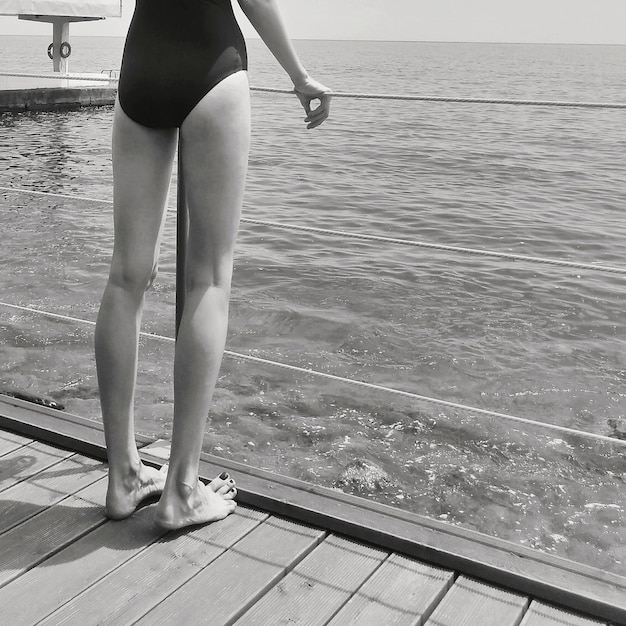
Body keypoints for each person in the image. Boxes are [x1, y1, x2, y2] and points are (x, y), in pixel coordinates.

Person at [95, 0, 332, 530]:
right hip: (210, 63)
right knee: (209, 279)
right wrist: (298, 75)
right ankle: (181, 490)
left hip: (142, 64)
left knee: (126, 275)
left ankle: (123, 477)